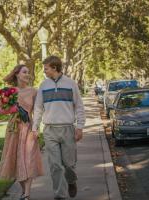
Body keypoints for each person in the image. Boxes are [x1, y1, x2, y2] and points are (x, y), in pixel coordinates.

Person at [32, 56, 86, 200]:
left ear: (54, 68)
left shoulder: (71, 84)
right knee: (55, 165)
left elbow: (79, 106)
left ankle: (72, 181)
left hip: (68, 129)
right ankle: (59, 195)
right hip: (50, 130)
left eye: (46, 68)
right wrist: (35, 127)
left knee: (69, 164)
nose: (44, 71)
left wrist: (80, 127)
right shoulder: (43, 86)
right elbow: (38, 108)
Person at [0, 64, 44, 200]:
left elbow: (38, 112)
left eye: (28, 72)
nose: (27, 74)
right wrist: (12, 109)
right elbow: (0, 110)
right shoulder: (9, 91)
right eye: (24, 72)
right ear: (17, 74)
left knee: (28, 159)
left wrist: (36, 128)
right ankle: (25, 193)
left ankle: (27, 194)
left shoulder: (34, 92)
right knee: (17, 160)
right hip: (14, 129)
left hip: (28, 129)